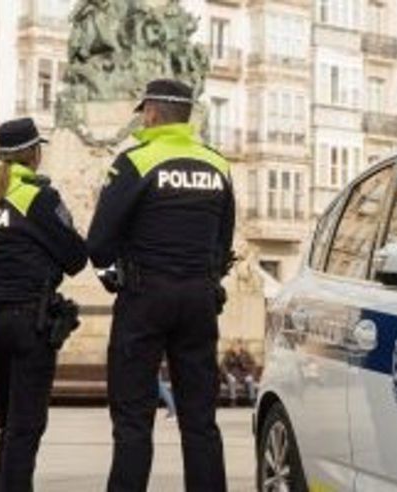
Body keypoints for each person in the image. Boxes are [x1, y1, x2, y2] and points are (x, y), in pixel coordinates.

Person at [87, 78, 235, 492]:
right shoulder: (217, 164)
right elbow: (224, 240)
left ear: (151, 112)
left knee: (133, 420)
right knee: (200, 420)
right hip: (198, 299)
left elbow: (98, 241)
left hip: (144, 297)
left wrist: (111, 276)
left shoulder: (134, 162)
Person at [0, 118, 87, 492]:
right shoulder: (39, 197)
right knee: (26, 428)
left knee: (8, 426)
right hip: (29, 322)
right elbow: (76, 257)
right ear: (34, 153)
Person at [221, 339, 257, 405]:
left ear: (240, 346)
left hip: (243, 374)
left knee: (250, 381)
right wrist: (228, 374)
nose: (235, 347)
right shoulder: (228, 354)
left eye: (236, 346)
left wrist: (251, 375)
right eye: (233, 346)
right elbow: (223, 365)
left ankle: (252, 400)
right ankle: (233, 400)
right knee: (231, 380)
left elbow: (253, 365)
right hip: (233, 374)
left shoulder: (246, 354)